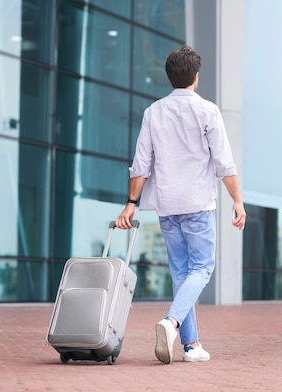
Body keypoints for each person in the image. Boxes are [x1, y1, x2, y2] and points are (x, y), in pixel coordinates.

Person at [116, 45, 246, 364]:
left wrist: (131, 204)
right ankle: (171, 322)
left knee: (181, 273)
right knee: (202, 268)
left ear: (170, 77)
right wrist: (238, 201)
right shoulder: (208, 111)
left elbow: (141, 164)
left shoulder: (153, 112)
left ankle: (191, 347)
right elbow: (224, 163)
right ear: (195, 78)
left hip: (167, 206)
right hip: (198, 203)